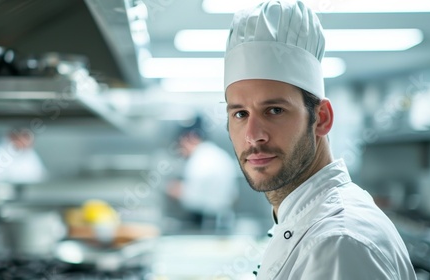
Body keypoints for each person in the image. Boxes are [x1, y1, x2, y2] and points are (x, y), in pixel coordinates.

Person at [223, 1, 416, 279]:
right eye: (240, 114)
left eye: (274, 110)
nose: (253, 135)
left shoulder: (339, 243)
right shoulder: (305, 221)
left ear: (321, 118)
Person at [167, 116, 238, 232]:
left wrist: (178, 192)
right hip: (223, 220)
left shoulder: (199, 160)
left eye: (181, 144)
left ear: (191, 138)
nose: (180, 149)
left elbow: (193, 200)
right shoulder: (218, 154)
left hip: (207, 224)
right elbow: (233, 196)